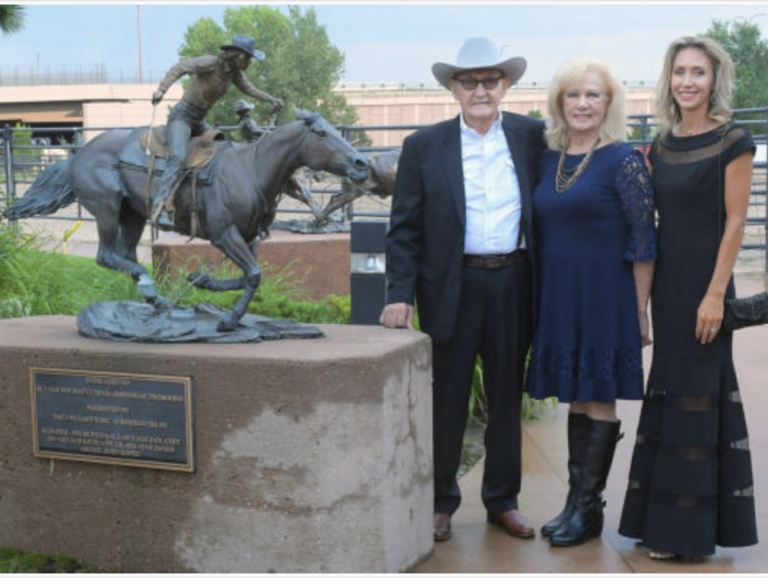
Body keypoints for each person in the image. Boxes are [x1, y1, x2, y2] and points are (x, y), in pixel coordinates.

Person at [379, 37, 545, 542]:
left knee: (506, 395)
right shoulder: (424, 146)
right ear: (453, 88)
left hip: (514, 280)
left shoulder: (533, 137)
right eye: (469, 81)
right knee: (447, 398)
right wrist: (399, 293)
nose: (480, 90)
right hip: (452, 285)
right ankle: (440, 501)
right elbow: (404, 228)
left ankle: (503, 501)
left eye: (490, 80)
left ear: (505, 85)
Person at [618, 35, 758, 560]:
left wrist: (715, 295)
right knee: (670, 394)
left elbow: (736, 221)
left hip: (707, 287)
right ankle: (662, 522)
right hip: (670, 289)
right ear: (669, 79)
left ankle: (689, 535)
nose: (687, 81)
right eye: (680, 72)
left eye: (698, 72)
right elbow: (648, 221)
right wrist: (641, 302)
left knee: (699, 400)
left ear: (714, 78)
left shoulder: (733, 139)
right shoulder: (662, 143)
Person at [525, 57, 657, 547]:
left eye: (593, 95)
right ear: (560, 102)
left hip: (606, 297)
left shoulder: (623, 160)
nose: (582, 104)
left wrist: (639, 311)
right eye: (573, 95)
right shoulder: (548, 159)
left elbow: (644, 241)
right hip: (561, 296)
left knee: (598, 395)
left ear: (609, 103)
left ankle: (588, 509)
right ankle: (574, 504)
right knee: (576, 398)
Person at [150, 35, 284, 228]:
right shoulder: (211, 63)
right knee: (178, 157)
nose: (249, 62)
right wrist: (161, 90)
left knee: (222, 152)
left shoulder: (235, 75)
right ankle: (159, 208)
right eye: (247, 57)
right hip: (183, 117)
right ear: (236, 55)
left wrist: (272, 100)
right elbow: (180, 67)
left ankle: (209, 201)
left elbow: (251, 90)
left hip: (200, 120)